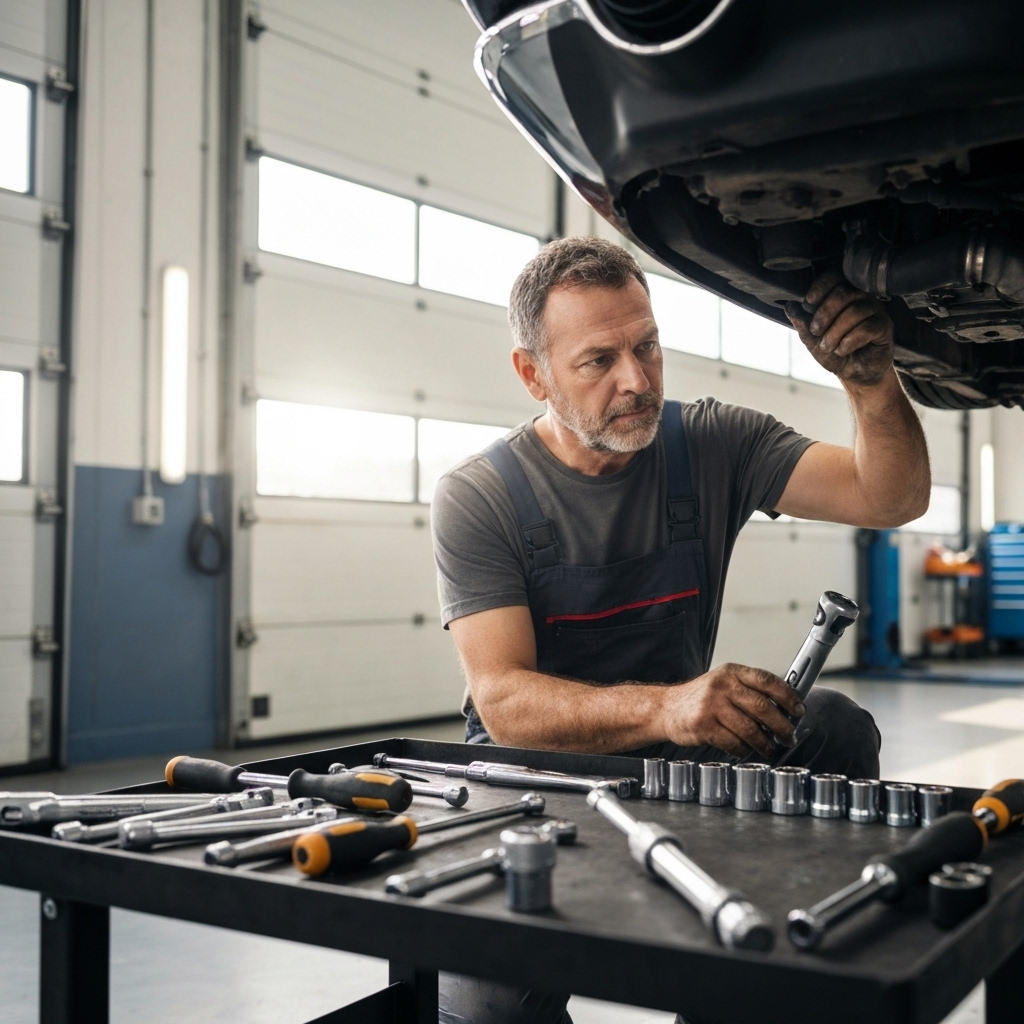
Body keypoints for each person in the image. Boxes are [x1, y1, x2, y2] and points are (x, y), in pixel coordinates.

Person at [430, 237, 931, 1024]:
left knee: (831, 727)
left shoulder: (713, 442)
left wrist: (871, 384)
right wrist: (669, 708)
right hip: (535, 779)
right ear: (534, 374)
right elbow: (504, 703)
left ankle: (765, 971)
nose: (637, 380)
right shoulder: (481, 496)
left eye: (648, 346)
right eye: (599, 361)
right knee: (491, 1008)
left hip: (682, 755)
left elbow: (889, 497)